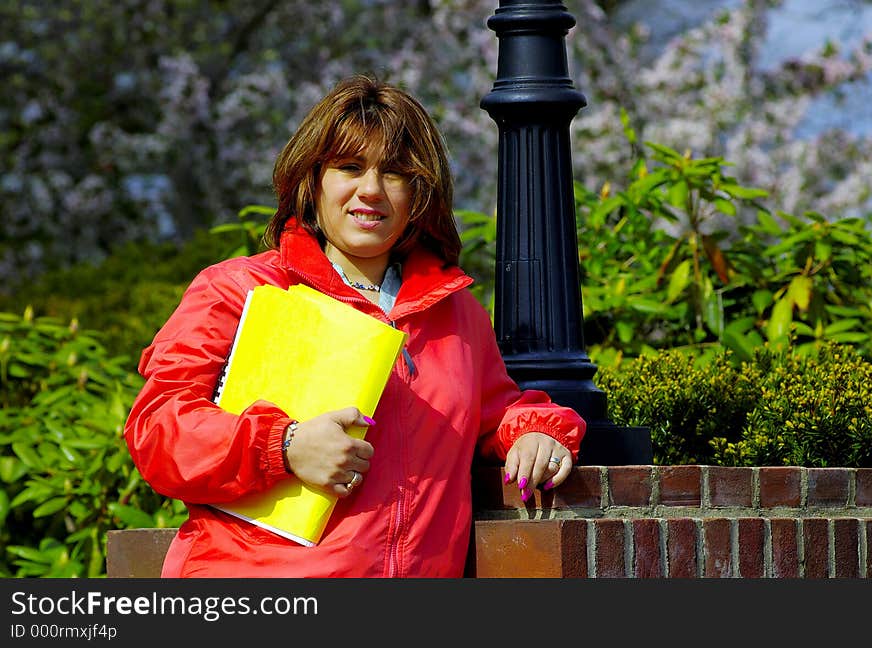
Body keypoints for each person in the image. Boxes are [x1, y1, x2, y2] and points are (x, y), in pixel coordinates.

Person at [124, 73, 587, 578]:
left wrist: (537, 432)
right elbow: (157, 431)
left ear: (419, 193)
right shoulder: (239, 289)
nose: (370, 190)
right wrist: (283, 445)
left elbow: (497, 413)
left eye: (394, 173)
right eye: (349, 167)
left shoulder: (457, 314)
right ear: (312, 179)